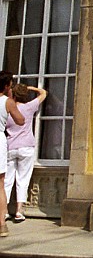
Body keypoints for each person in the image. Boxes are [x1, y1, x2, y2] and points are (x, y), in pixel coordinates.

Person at [4, 83, 46, 222]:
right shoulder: (29, 107)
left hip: (10, 146)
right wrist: (30, 88)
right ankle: (19, 210)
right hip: (26, 146)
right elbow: (43, 93)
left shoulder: (9, 109)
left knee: (7, 180)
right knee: (23, 179)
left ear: (13, 95)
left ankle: (3, 211)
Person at [0, 72, 25, 236]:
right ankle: (1, 224)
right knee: (0, 184)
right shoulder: (7, 102)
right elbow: (20, 120)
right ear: (8, 85)